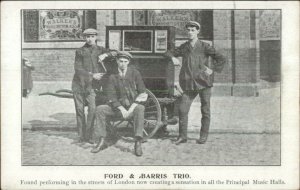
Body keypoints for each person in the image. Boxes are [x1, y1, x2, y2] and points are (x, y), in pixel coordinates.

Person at [165, 21, 227, 145]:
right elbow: (168, 52)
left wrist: (212, 69)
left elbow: (221, 58)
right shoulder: (184, 47)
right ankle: (183, 136)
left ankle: (203, 136)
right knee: (182, 109)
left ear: (198, 31)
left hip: (204, 83)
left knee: (205, 110)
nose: (190, 32)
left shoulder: (205, 46)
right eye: (188, 30)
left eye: (193, 30)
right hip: (188, 84)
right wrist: (172, 57)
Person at [92, 51, 148, 156]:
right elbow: (111, 96)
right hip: (117, 108)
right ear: (117, 61)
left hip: (132, 107)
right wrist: (122, 109)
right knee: (100, 109)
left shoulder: (135, 73)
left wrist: (130, 110)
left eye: (125, 61)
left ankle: (138, 142)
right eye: (121, 61)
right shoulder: (112, 76)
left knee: (140, 108)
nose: (123, 64)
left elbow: (142, 92)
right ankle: (102, 140)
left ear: (129, 62)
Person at [72, 28, 117, 144]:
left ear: (96, 37)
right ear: (84, 38)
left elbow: (115, 53)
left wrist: (106, 55)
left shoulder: (100, 50)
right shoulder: (80, 51)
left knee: (92, 109)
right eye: (87, 37)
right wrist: (92, 75)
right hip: (78, 85)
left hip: (92, 87)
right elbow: (78, 69)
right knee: (80, 111)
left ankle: (90, 135)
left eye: (92, 36)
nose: (89, 39)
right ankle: (82, 137)